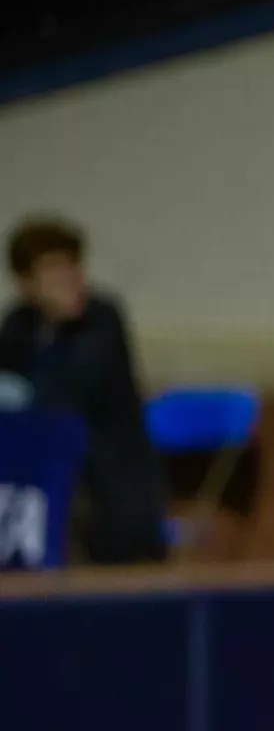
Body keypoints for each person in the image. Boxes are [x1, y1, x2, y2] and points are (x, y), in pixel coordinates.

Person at [0, 216, 167, 564]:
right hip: (38, 477)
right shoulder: (19, 325)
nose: (71, 280)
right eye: (54, 272)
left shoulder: (102, 320)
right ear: (26, 283)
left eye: (73, 266)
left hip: (108, 480)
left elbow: (63, 393)